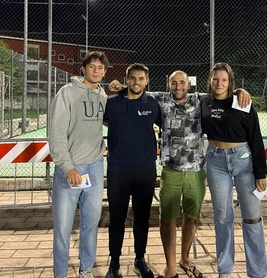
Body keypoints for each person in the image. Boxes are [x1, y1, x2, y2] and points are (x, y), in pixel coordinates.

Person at [108, 70, 250, 278]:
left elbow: (222, 93)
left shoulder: (201, 100)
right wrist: (120, 88)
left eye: (182, 83)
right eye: (173, 83)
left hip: (196, 172)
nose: (178, 87)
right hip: (170, 171)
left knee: (191, 218)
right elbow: (137, 90)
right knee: (167, 219)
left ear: (188, 84)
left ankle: (185, 259)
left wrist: (239, 90)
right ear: (168, 85)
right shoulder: (159, 100)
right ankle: (170, 266)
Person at [201, 62, 267, 278]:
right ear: (210, 80)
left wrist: (260, 173)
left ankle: (257, 272)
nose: (219, 83)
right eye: (216, 79)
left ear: (230, 82)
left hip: (244, 162)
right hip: (215, 162)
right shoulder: (203, 103)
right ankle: (225, 270)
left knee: (252, 217)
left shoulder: (242, 101)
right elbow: (175, 93)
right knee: (222, 218)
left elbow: (255, 138)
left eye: (224, 80)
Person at [48, 51, 108, 278]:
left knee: (91, 224)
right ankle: (60, 274)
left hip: (94, 168)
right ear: (83, 68)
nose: (96, 70)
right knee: (63, 229)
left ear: (104, 71)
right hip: (70, 170)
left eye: (100, 67)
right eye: (92, 66)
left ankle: (86, 270)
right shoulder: (67, 93)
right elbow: (56, 133)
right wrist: (68, 166)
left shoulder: (102, 96)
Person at [104, 63, 162, 278]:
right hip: (118, 171)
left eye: (141, 79)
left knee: (142, 217)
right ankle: (115, 262)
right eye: (132, 78)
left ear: (147, 81)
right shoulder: (111, 103)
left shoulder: (153, 104)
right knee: (117, 217)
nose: (136, 82)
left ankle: (139, 258)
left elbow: (169, 120)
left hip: (145, 171)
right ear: (126, 79)